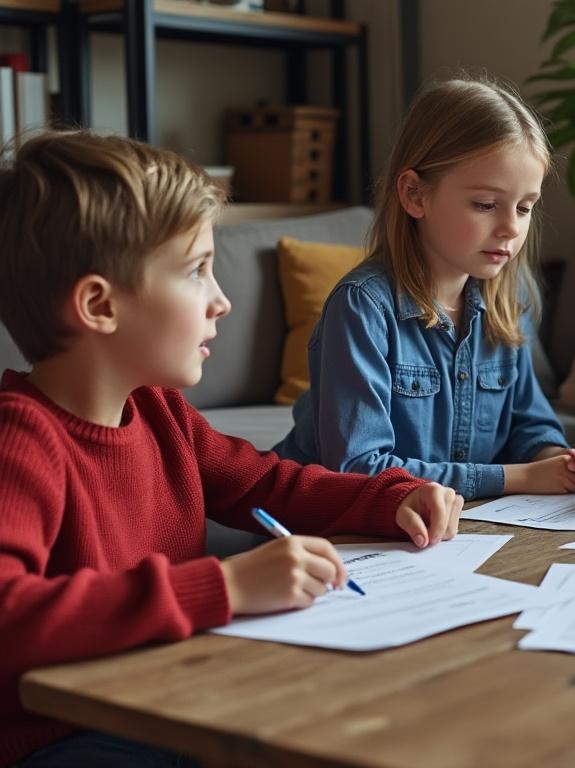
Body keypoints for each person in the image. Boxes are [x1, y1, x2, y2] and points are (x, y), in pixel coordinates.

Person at [0, 131, 464, 766]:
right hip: (61, 735)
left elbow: (266, 486)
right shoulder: (21, 442)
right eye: (196, 272)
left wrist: (390, 498)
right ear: (98, 305)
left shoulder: (161, 413)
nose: (222, 301)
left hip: (171, 697)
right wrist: (224, 586)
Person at [275, 78, 575, 499]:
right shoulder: (363, 307)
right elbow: (358, 468)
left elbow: (529, 423)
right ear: (416, 195)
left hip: (445, 525)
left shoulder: (507, 299)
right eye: (486, 204)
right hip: (331, 529)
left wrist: (558, 458)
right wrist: (517, 478)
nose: (511, 227)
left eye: (525, 208)